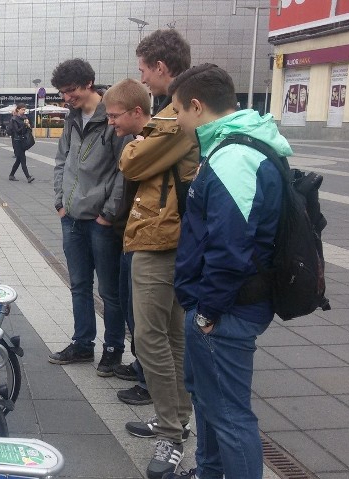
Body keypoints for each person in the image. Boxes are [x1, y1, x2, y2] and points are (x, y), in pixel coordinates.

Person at [165, 63, 286, 479]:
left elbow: (230, 249)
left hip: (225, 311)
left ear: (196, 107)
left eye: (178, 110)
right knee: (209, 400)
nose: (177, 121)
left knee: (231, 415)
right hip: (220, 306)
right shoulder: (232, 148)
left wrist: (206, 313)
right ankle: (209, 471)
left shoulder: (234, 157)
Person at [116, 29, 200, 479]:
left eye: (145, 69)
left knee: (152, 337)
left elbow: (131, 162)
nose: (143, 78)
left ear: (162, 68)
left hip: (160, 238)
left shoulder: (176, 117)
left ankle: (172, 434)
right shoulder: (180, 111)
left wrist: (133, 144)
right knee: (171, 337)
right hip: (169, 235)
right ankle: (174, 421)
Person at [49, 58, 128, 374]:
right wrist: (60, 202)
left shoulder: (111, 118)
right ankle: (83, 345)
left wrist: (109, 213)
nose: (67, 98)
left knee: (109, 290)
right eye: (63, 93)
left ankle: (113, 349)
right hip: (71, 217)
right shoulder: (71, 119)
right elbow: (60, 161)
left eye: (71, 91)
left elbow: (125, 169)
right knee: (79, 285)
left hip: (101, 221)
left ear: (89, 84)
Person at [101, 78, 155, 408]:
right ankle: (140, 366)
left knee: (143, 316)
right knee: (128, 303)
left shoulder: (152, 145)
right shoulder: (139, 140)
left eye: (114, 115)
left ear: (136, 111)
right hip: (129, 236)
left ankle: (150, 382)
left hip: (147, 241)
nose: (110, 122)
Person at [5, 104, 35, 183]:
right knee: (22, 159)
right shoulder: (14, 119)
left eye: (24, 110)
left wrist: (28, 125)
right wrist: (24, 125)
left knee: (18, 160)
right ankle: (28, 177)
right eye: (22, 109)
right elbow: (17, 131)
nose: (24, 111)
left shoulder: (25, 118)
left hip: (23, 140)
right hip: (17, 141)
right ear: (18, 110)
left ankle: (11, 175)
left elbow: (28, 129)